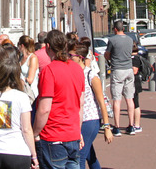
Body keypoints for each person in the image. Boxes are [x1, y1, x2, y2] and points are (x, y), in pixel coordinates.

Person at [33, 30, 85, 169]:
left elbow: (44, 109)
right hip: (72, 134)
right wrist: (78, 131)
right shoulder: (77, 69)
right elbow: (80, 104)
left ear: (48, 46)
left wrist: (35, 132)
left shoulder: (49, 71)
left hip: (53, 135)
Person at [70, 41, 113, 169]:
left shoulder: (91, 75)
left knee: (80, 155)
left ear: (79, 57)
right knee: (90, 155)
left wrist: (107, 127)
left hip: (90, 119)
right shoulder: (72, 73)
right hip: (78, 119)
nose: (68, 57)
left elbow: (101, 102)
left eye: (71, 55)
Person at [104, 21, 135, 136]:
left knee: (117, 99)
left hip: (117, 69)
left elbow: (107, 54)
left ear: (115, 29)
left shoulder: (112, 40)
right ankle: (131, 125)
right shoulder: (130, 39)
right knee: (129, 98)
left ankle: (117, 127)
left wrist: (109, 58)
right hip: (129, 69)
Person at [18, 35, 39, 103]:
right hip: (22, 90)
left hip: (30, 92)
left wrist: (18, 78)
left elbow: (30, 79)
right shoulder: (20, 58)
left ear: (22, 46)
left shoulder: (33, 58)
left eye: (18, 45)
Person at [130, 45, 144, 133]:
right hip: (132, 81)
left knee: (135, 103)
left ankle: (137, 124)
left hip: (135, 81)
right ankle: (133, 123)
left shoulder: (135, 58)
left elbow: (134, 70)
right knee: (132, 102)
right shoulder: (134, 57)